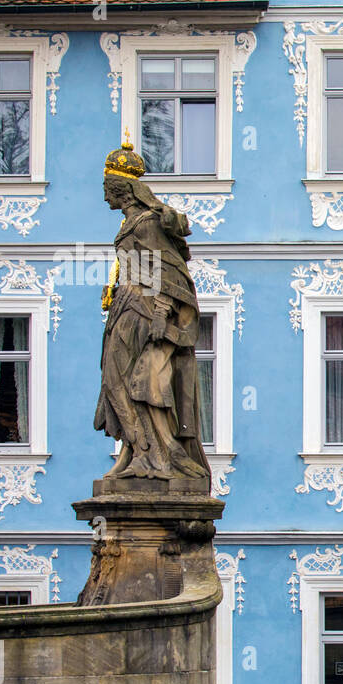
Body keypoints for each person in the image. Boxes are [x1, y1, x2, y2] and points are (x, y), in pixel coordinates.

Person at [96, 138, 210, 484]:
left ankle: (157, 456)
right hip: (125, 306)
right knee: (114, 381)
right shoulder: (129, 225)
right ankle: (137, 452)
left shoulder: (146, 223)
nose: (103, 195)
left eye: (106, 187)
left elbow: (169, 272)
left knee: (136, 383)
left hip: (142, 311)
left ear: (121, 189)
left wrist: (161, 312)